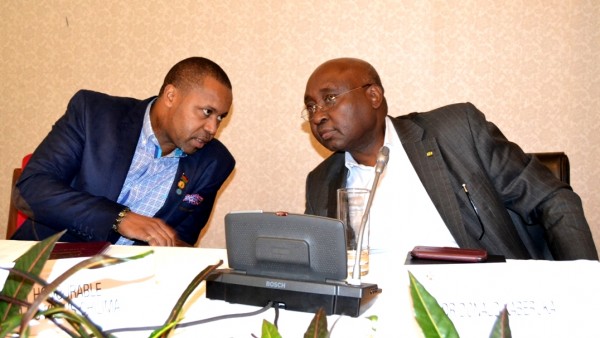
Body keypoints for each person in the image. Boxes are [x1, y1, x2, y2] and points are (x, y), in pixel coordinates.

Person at [302, 57, 598, 260]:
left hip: (484, 303)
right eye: (311, 107)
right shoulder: (321, 182)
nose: (318, 116)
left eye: (329, 99)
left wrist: (584, 286)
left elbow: (552, 200)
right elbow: (324, 267)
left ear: (374, 96)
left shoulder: (456, 132)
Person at [11, 56, 235, 247]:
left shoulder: (214, 163)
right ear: (171, 96)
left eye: (220, 117)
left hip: (133, 283)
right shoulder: (94, 114)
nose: (212, 129)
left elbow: (181, 241)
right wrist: (118, 219)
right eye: (207, 112)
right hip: (49, 264)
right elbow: (32, 188)